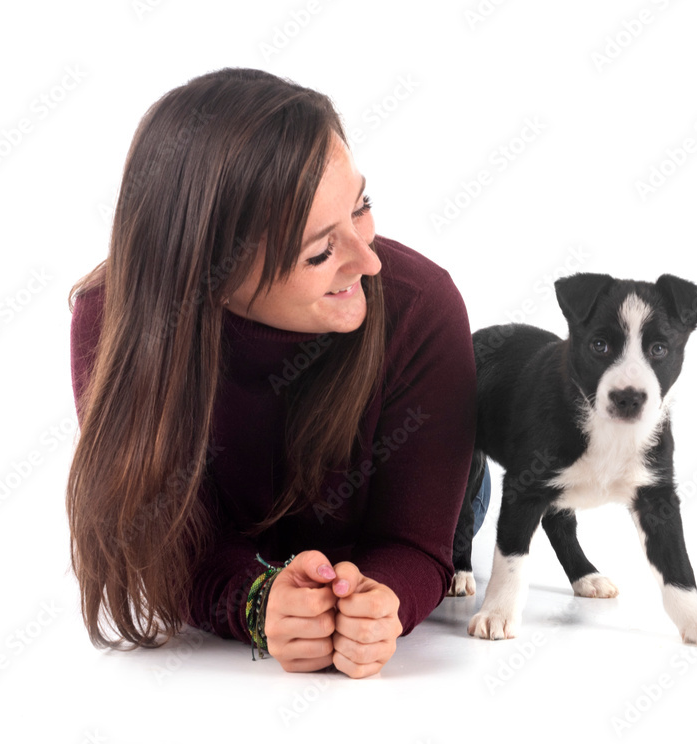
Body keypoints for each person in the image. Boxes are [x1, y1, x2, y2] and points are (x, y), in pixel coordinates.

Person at [66, 67, 482, 679]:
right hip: (240, 521)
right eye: (319, 251)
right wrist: (258, 603)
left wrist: (381, 602)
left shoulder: (422, 306)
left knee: (469, 487)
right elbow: (160, 543)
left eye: (361, 206)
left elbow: (416, 544)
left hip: (414, 491)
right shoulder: (112, 321)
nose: (367, 259)